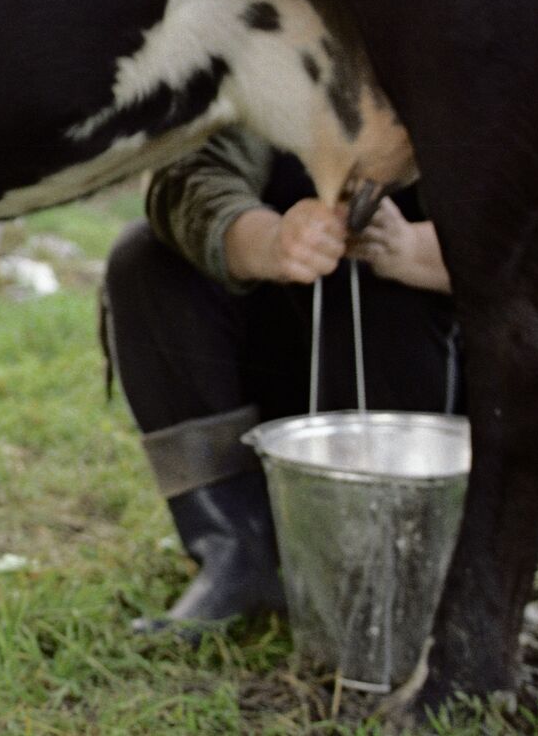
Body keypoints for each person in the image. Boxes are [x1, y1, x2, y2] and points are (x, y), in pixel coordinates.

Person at [101, 128, 461, 628]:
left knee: (378, 289)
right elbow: (187, 173)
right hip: (281, 364)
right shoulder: (280, 49)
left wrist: (414, 250)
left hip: (427, 393)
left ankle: (382, 569)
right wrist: (268, 242)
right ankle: (239, 554)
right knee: (145, 260)